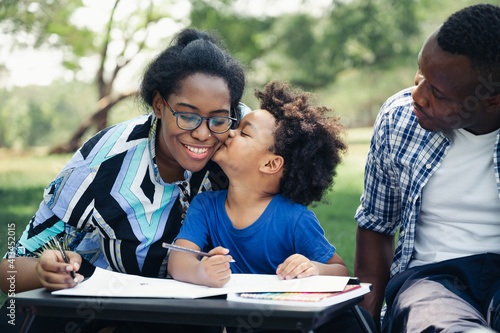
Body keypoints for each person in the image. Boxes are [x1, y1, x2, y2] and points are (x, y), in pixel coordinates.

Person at [0, 27, 246, 332]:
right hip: (102, 303)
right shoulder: (103, 164)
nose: (202, 132)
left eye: (218, 119)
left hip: (194, 312)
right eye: (187, 115)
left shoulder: (241, 142)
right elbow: (9, 271)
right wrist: (44, 270)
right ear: (159, 105)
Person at [168, 81, 377, 333]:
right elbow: (178, 259)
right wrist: (201, 271)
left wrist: (313, 268)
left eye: (244, 133)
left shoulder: (294, 218)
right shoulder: (205, 206)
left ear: (270, 164)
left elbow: (341, 272)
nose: (230, 133)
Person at [354, 4, 500, 333]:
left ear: (492, 100)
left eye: (437, 92)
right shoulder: (399, 117)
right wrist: (368, 321)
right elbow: (376, 226)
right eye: (420, 74)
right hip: (431, 280)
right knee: (439, 322)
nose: (417, 95)